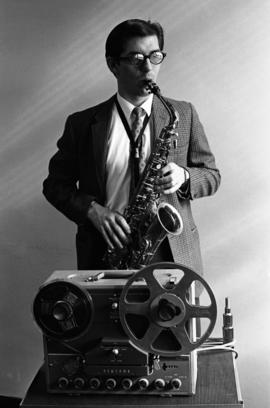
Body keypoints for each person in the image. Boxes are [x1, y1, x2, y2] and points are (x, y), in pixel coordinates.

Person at [43, 19, 221, 275]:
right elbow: (54, 186)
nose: (148, 67)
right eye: (136, 57)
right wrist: (93, 211)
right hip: (107, 252)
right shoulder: (81, 124)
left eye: (155, 56)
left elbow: (212, 176)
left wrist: (184, 176)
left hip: (173, 255)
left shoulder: (183, 114)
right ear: (113, 64)